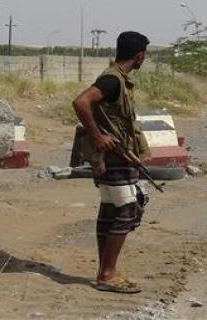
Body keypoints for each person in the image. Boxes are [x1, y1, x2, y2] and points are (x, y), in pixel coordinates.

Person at [72, 31, 151, 293]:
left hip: (117, 155)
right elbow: (81, 102)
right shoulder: (112, 80)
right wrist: (98, 136)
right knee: (127, 210)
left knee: (109, 210)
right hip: (114, 156)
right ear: (139, 55)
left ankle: (105, 272)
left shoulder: (116, 78)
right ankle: (107, 273)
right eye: (144, 55)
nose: (144, 59)